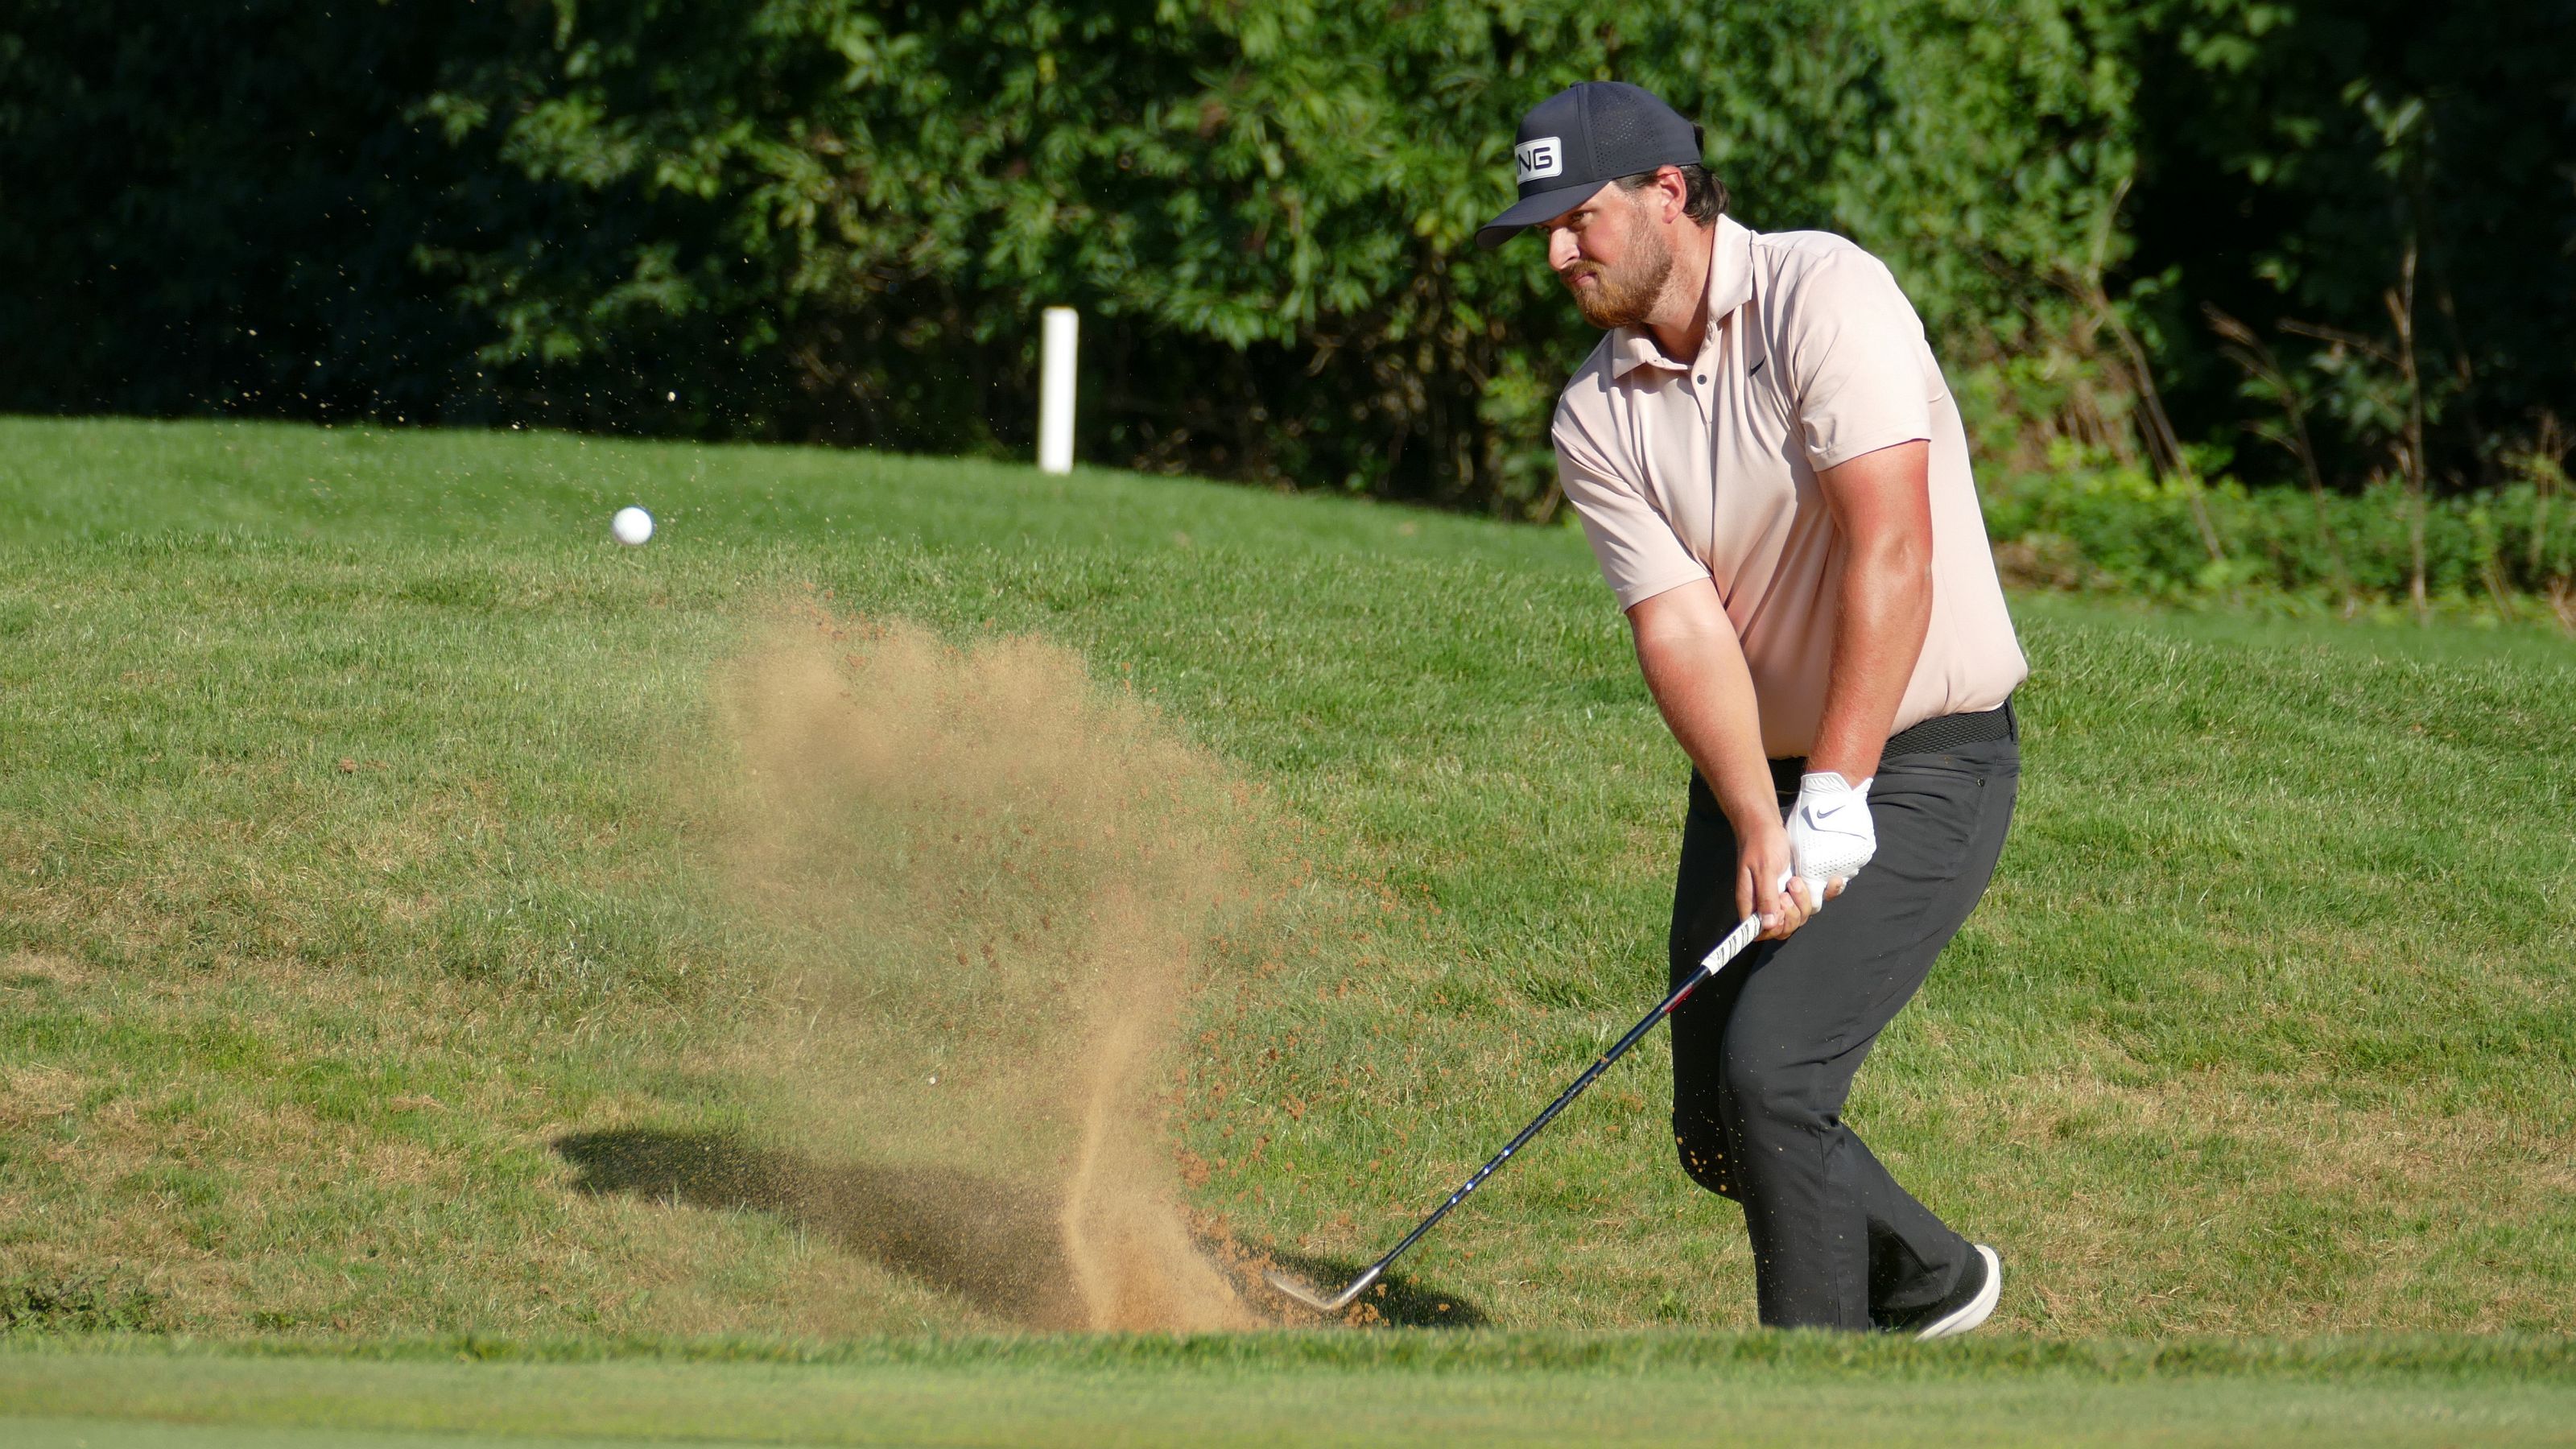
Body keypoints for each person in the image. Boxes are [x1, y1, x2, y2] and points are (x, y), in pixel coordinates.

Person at [1477, 81, 2028, 1336]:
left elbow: (1893, 548)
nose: (1557, 252)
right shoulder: (1593, 414)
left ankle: (1806, 1393)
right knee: (1716, 1129)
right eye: (1544, 230)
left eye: (1578, 219)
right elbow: (1683, 630)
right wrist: (1759, 815)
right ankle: (1933, 1277)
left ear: (1667, 193)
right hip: (1764, 775)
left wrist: (1836, 793)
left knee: (1775, 1078)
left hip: (1929, 758)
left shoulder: (1823, 293)